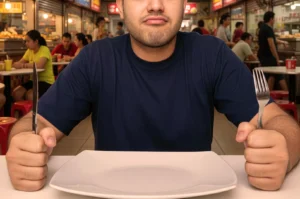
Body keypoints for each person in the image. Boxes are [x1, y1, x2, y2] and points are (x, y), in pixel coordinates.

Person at [6, 0, 300, 193]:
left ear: (184, 4)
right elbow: (37, 123)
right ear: (120, 7)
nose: (156, 5)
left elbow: (276, 120)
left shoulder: (212, 55)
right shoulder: (95, 59)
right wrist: (24, 146)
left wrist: (281, 150)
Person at [12, 30, 55, 101]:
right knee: (16, 93)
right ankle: (25, 111)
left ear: (36, 41)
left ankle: (35, 111)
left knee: (30, 94)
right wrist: (14, 64)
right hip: (33, 81)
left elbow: (39, 65)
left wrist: (23, 65)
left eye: (28, 41)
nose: (26, 43)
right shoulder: (29, 51)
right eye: (25, 41)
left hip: (46, 82)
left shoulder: (44, 49)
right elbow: (19, 63)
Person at [258, 11, 289, 91]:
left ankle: (269, 98)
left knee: (271, 76)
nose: (274, 21)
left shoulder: (262, 28)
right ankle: (288, 96)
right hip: (269, 57)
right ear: (271, 19)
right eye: (274, 19)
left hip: (263, 56)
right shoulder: (268, 29)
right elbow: (271, 45)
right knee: (279, 75)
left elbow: (272, 40)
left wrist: (283, 42)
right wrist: (277, 58)